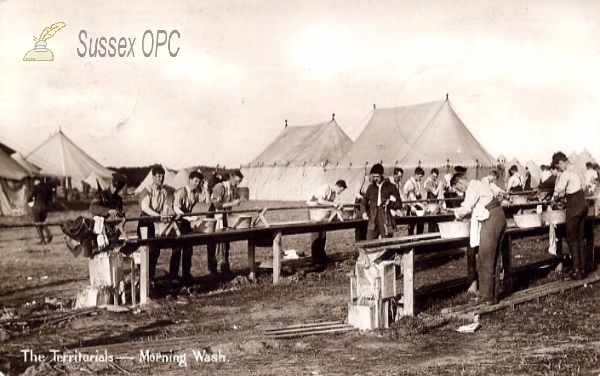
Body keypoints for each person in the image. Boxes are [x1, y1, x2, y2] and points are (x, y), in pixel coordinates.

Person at [451, 172, 507, 304]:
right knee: (494, 257)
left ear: (459, 182)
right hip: (499, 216)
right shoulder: (479, 183)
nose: (460, 190)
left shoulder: (472, 187)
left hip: (491, 219)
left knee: (485, 256)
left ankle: (486, 296)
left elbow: (466, 208)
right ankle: (493, 295)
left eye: (458, 188)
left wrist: (456, 216)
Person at [551, 152, 588, 280]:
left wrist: (553, 198)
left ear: (561, 162)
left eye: (558, 167)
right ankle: (583, 269)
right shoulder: (577, 169)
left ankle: (576, 271)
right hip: (583, 203)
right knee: (580, 237)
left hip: (575, 205)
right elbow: (583, 185)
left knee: (571, 237)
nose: (558, 169)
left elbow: (558, 189)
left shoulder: (566, 173)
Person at [171, 171, 205, 285]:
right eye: (195, 181)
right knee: (177, 249)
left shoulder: (195, 193)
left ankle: (187, 274)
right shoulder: (181, 191)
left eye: (199, 182)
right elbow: (175, 207)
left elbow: (203, 202)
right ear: (189, 180)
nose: (197, 183)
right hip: (178, 223)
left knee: (188, 250)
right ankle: (174, 276)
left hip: (188, 224)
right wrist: (186, 216)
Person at [208, 170, 244, 275]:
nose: (238, 184)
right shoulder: (219, 187)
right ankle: (213, 269)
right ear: (231, 177)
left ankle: (225, 267)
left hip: (224, 216)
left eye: (239, 182)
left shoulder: (232, 190)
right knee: (213, 243)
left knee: (225, 241)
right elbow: (217, 205)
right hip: (214, 216)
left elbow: (229, 206)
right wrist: (232, 203)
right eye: (237, 181)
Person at [137, 165, 169, 283]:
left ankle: (150, 278)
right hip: (144, 223)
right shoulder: (146, 190)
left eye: (162, 176)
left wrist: (167, 212)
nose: (161, 179)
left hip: (155, 223)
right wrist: (158, 215)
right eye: (158, 176)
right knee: (145, 250)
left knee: (155, 251)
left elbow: (165, 206)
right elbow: (144, 207)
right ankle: (143, 279)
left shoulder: (164, 192)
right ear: (153, 177)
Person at [307, 179, 347, 263]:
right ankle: (315, 258)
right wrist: (332, 204)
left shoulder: (333, 193)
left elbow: (332, 203)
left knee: (323, 235)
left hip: (322, 214)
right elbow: (320, 201)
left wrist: (338, 205)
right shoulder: (326, 188)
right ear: (338, 186)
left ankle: (321, 255)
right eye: (341, 190)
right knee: (316, 234)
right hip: (314, 211)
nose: (340, 192)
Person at [361, 163, 403, 240]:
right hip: (373, 218)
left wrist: (390, 203)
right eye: (373, 177)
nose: (375, 179)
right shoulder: (371, 187)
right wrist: (364, 212)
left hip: (385, 218)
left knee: (387, 241)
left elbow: (399, 203)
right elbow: (364, 201)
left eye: (377, 176)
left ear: (382, 174)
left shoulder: (391, 187)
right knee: (369, 241)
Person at [89, 172, 128, 243]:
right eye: (114, 187)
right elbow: (92, 208)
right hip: (99, 232)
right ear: (111, 184)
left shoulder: (119, 199)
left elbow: (119, 213)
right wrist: (108, 211)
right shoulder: (101, 195)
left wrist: (119, 214)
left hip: (113, 232)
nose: (115, 190)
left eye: (118, 189)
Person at [28, 177, 53, 245]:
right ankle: (48, 234)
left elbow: (29, 197)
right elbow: (50, 198)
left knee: (37, 224)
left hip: (37, 208)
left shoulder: (35, 188)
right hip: (45, 208)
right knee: (42, 222)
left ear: (36, 181)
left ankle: (42, 240)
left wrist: (30, 201)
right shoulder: (46, 188)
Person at [404, 167, 425, 235]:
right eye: (420, 176)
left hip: (417, 205)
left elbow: (418, 194)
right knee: (411, 226)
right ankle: (410, 242)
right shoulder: (409, 182)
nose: (420, 178)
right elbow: (408, 196)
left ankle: (419, 240)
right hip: (411, 206)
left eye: (421, 177)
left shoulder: (417, 182)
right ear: (416, 174)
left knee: (420, 224)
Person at [354, 175, 371, 242]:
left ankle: (366, 244)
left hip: (369, 206)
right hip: (360, 205)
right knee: (360, 225)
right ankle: (359, 245)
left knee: (367, 226)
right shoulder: (362, 179)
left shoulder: (374, 181)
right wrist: (364, 199)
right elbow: (356, 193)